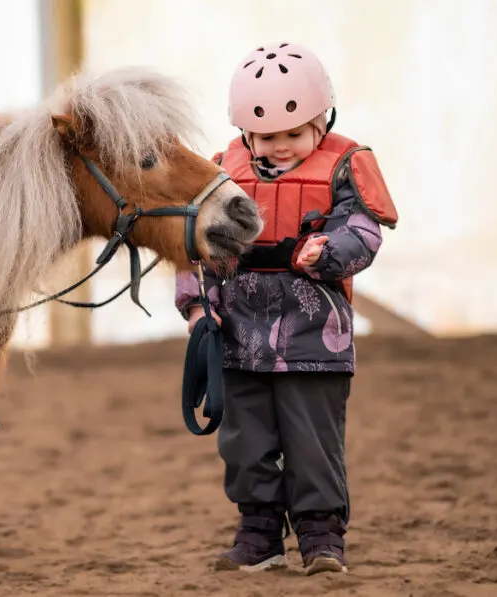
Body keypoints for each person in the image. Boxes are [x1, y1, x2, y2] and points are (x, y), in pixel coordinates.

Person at [174, 42, 398, 575]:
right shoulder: (219, 173)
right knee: (244, 445)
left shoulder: (347, 167)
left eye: (293, 134)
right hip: (238, 339)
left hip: (315, 339)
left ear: (322, 122)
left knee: (312, 446)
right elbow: (190, 245)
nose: (280, 146)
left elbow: (365, 232)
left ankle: (322, 539)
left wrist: (330, 254)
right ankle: (258, 536)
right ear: (246, 132)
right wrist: (196, 307)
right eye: (267, 136)